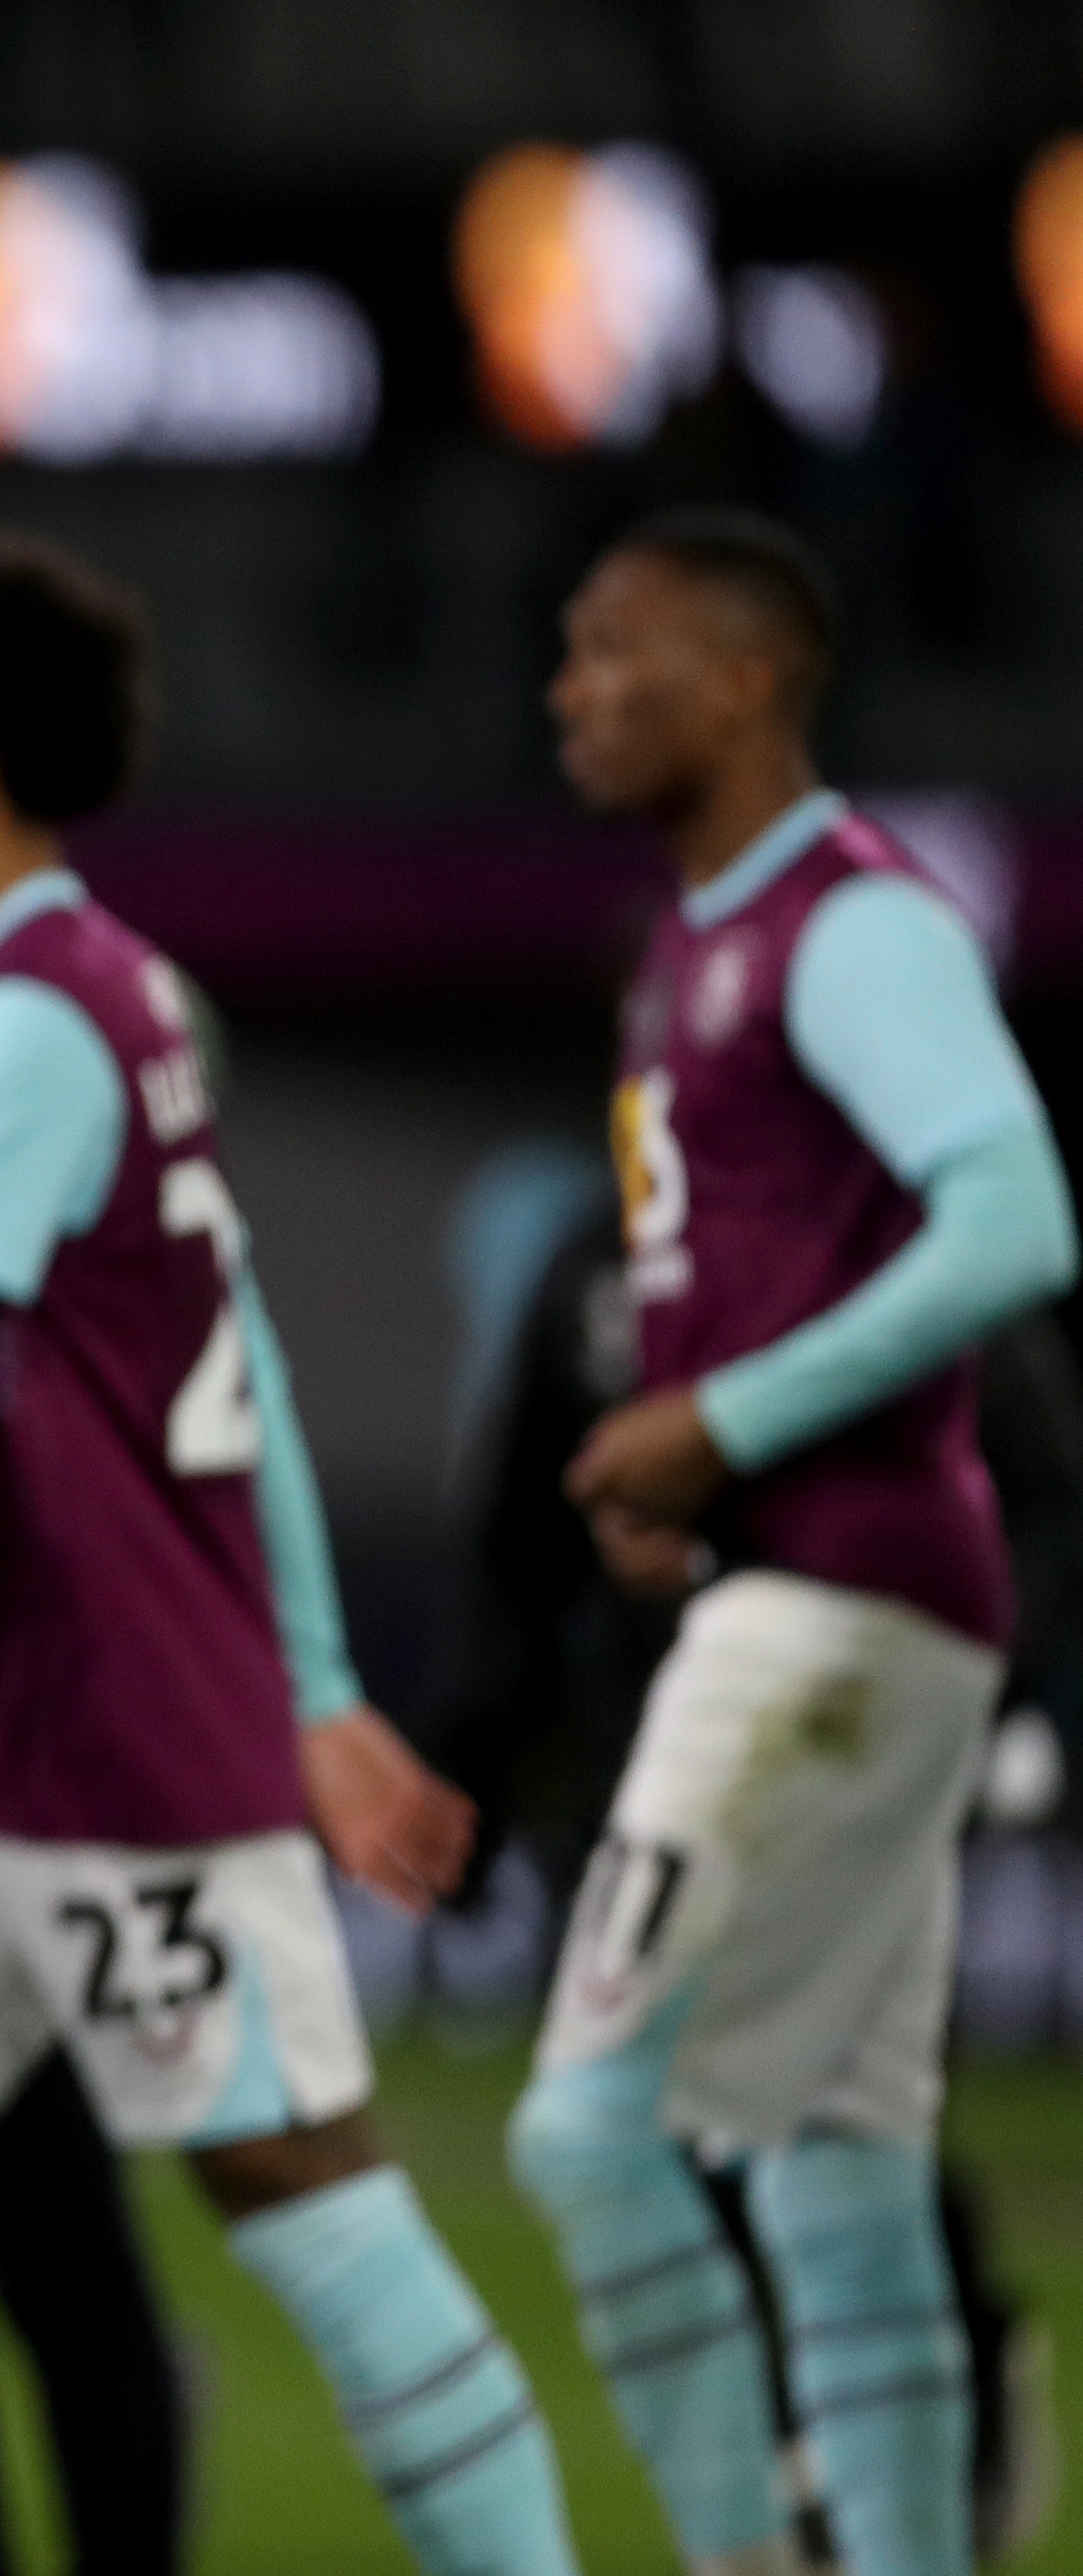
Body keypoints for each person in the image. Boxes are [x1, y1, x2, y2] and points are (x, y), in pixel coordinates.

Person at [0, 527, 583, 2576]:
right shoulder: (78, 994)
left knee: (315, 2213)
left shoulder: (20, 1035)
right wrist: (323, 1686)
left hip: (108, 1761)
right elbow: (224, 1321)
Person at [507, 509, 1078, 2576]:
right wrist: (701, 1478)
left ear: (744, 677)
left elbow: (1014, 1219)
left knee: (587, 2132)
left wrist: (718, 1424)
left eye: (609, 649)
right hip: (831, 1589)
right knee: (837, 2166)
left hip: (841, 1606)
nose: (566, 690)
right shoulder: (693, 938)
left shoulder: (845, 920)